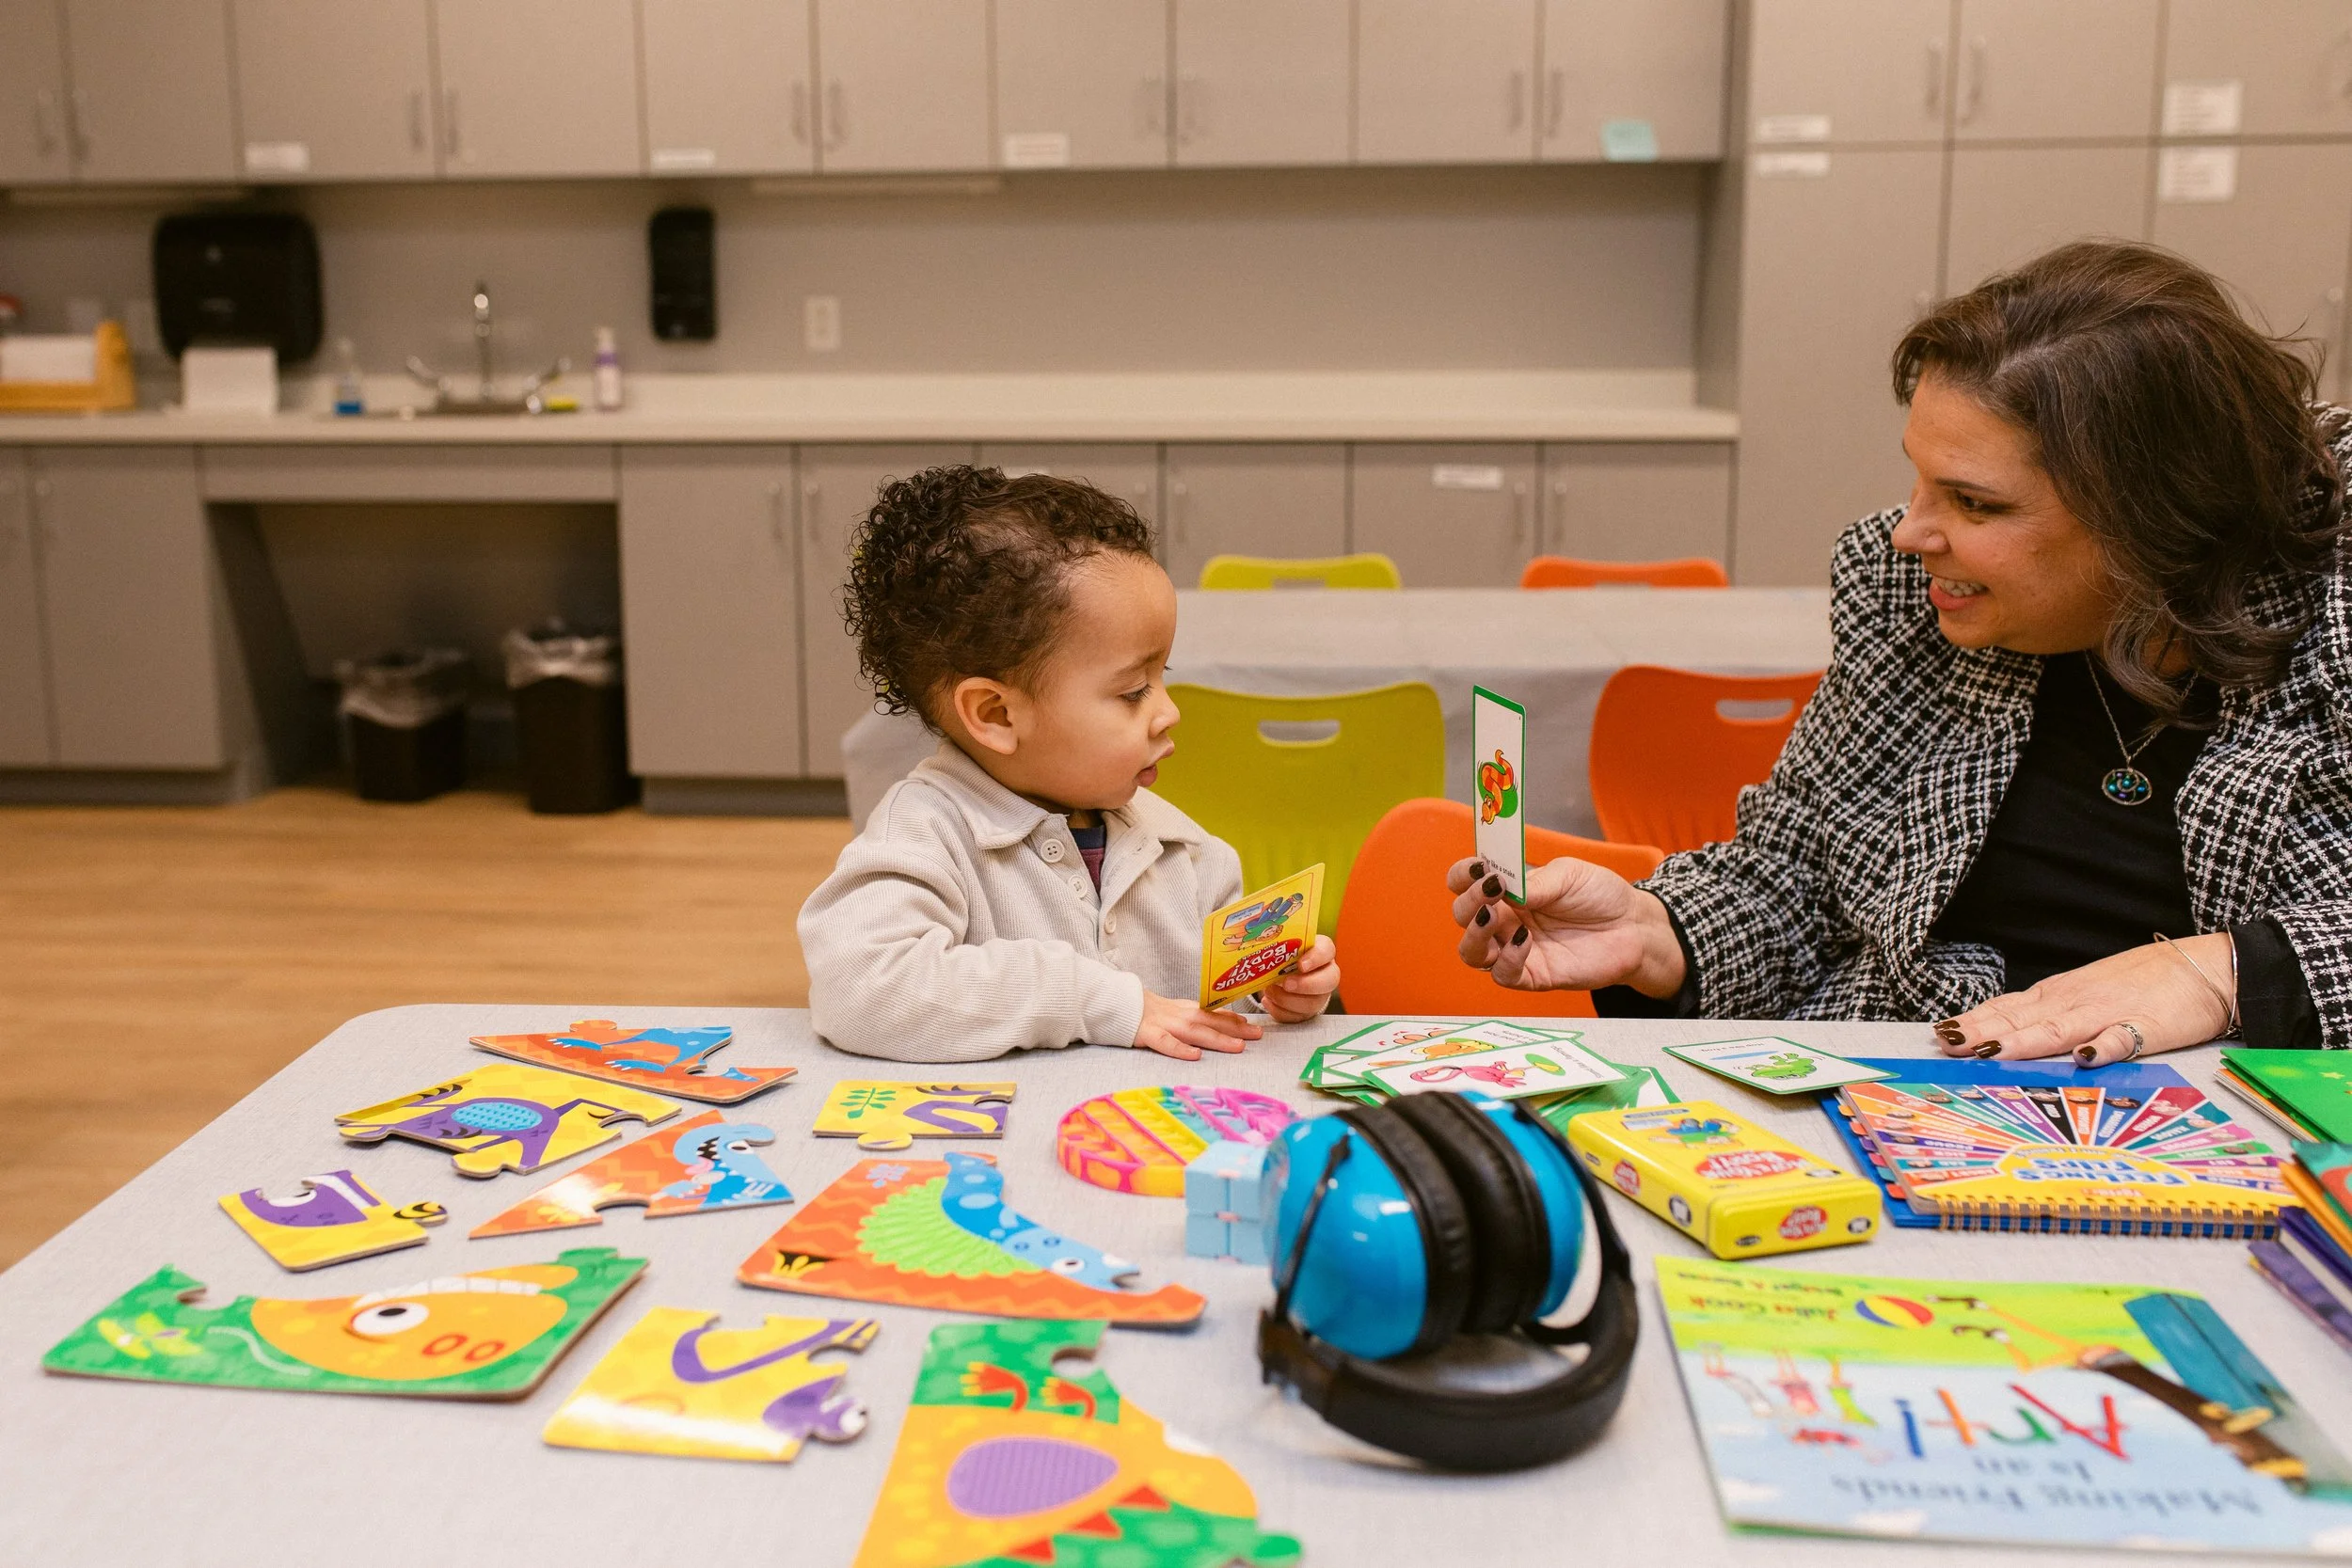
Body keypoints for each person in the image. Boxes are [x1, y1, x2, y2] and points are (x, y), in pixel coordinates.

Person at [1451, 240, 2352, 1063]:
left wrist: (2229, 974)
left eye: (1974, 503)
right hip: (1916, 1102)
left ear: (2154, 519)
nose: (1910, 534)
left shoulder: (2331, 623)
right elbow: (1797, 871)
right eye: (1918, 479)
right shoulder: (1914, 610)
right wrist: (1657, 932)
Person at [801, 465, 1340, 1062]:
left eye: (1164, 678)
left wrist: (1277, 995)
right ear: (997, 715)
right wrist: (1089, 997)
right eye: (1134, 691)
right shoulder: (926, 834)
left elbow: (1215, 1023)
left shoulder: (1188, 856)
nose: (1169, 712)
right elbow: (862, 990)